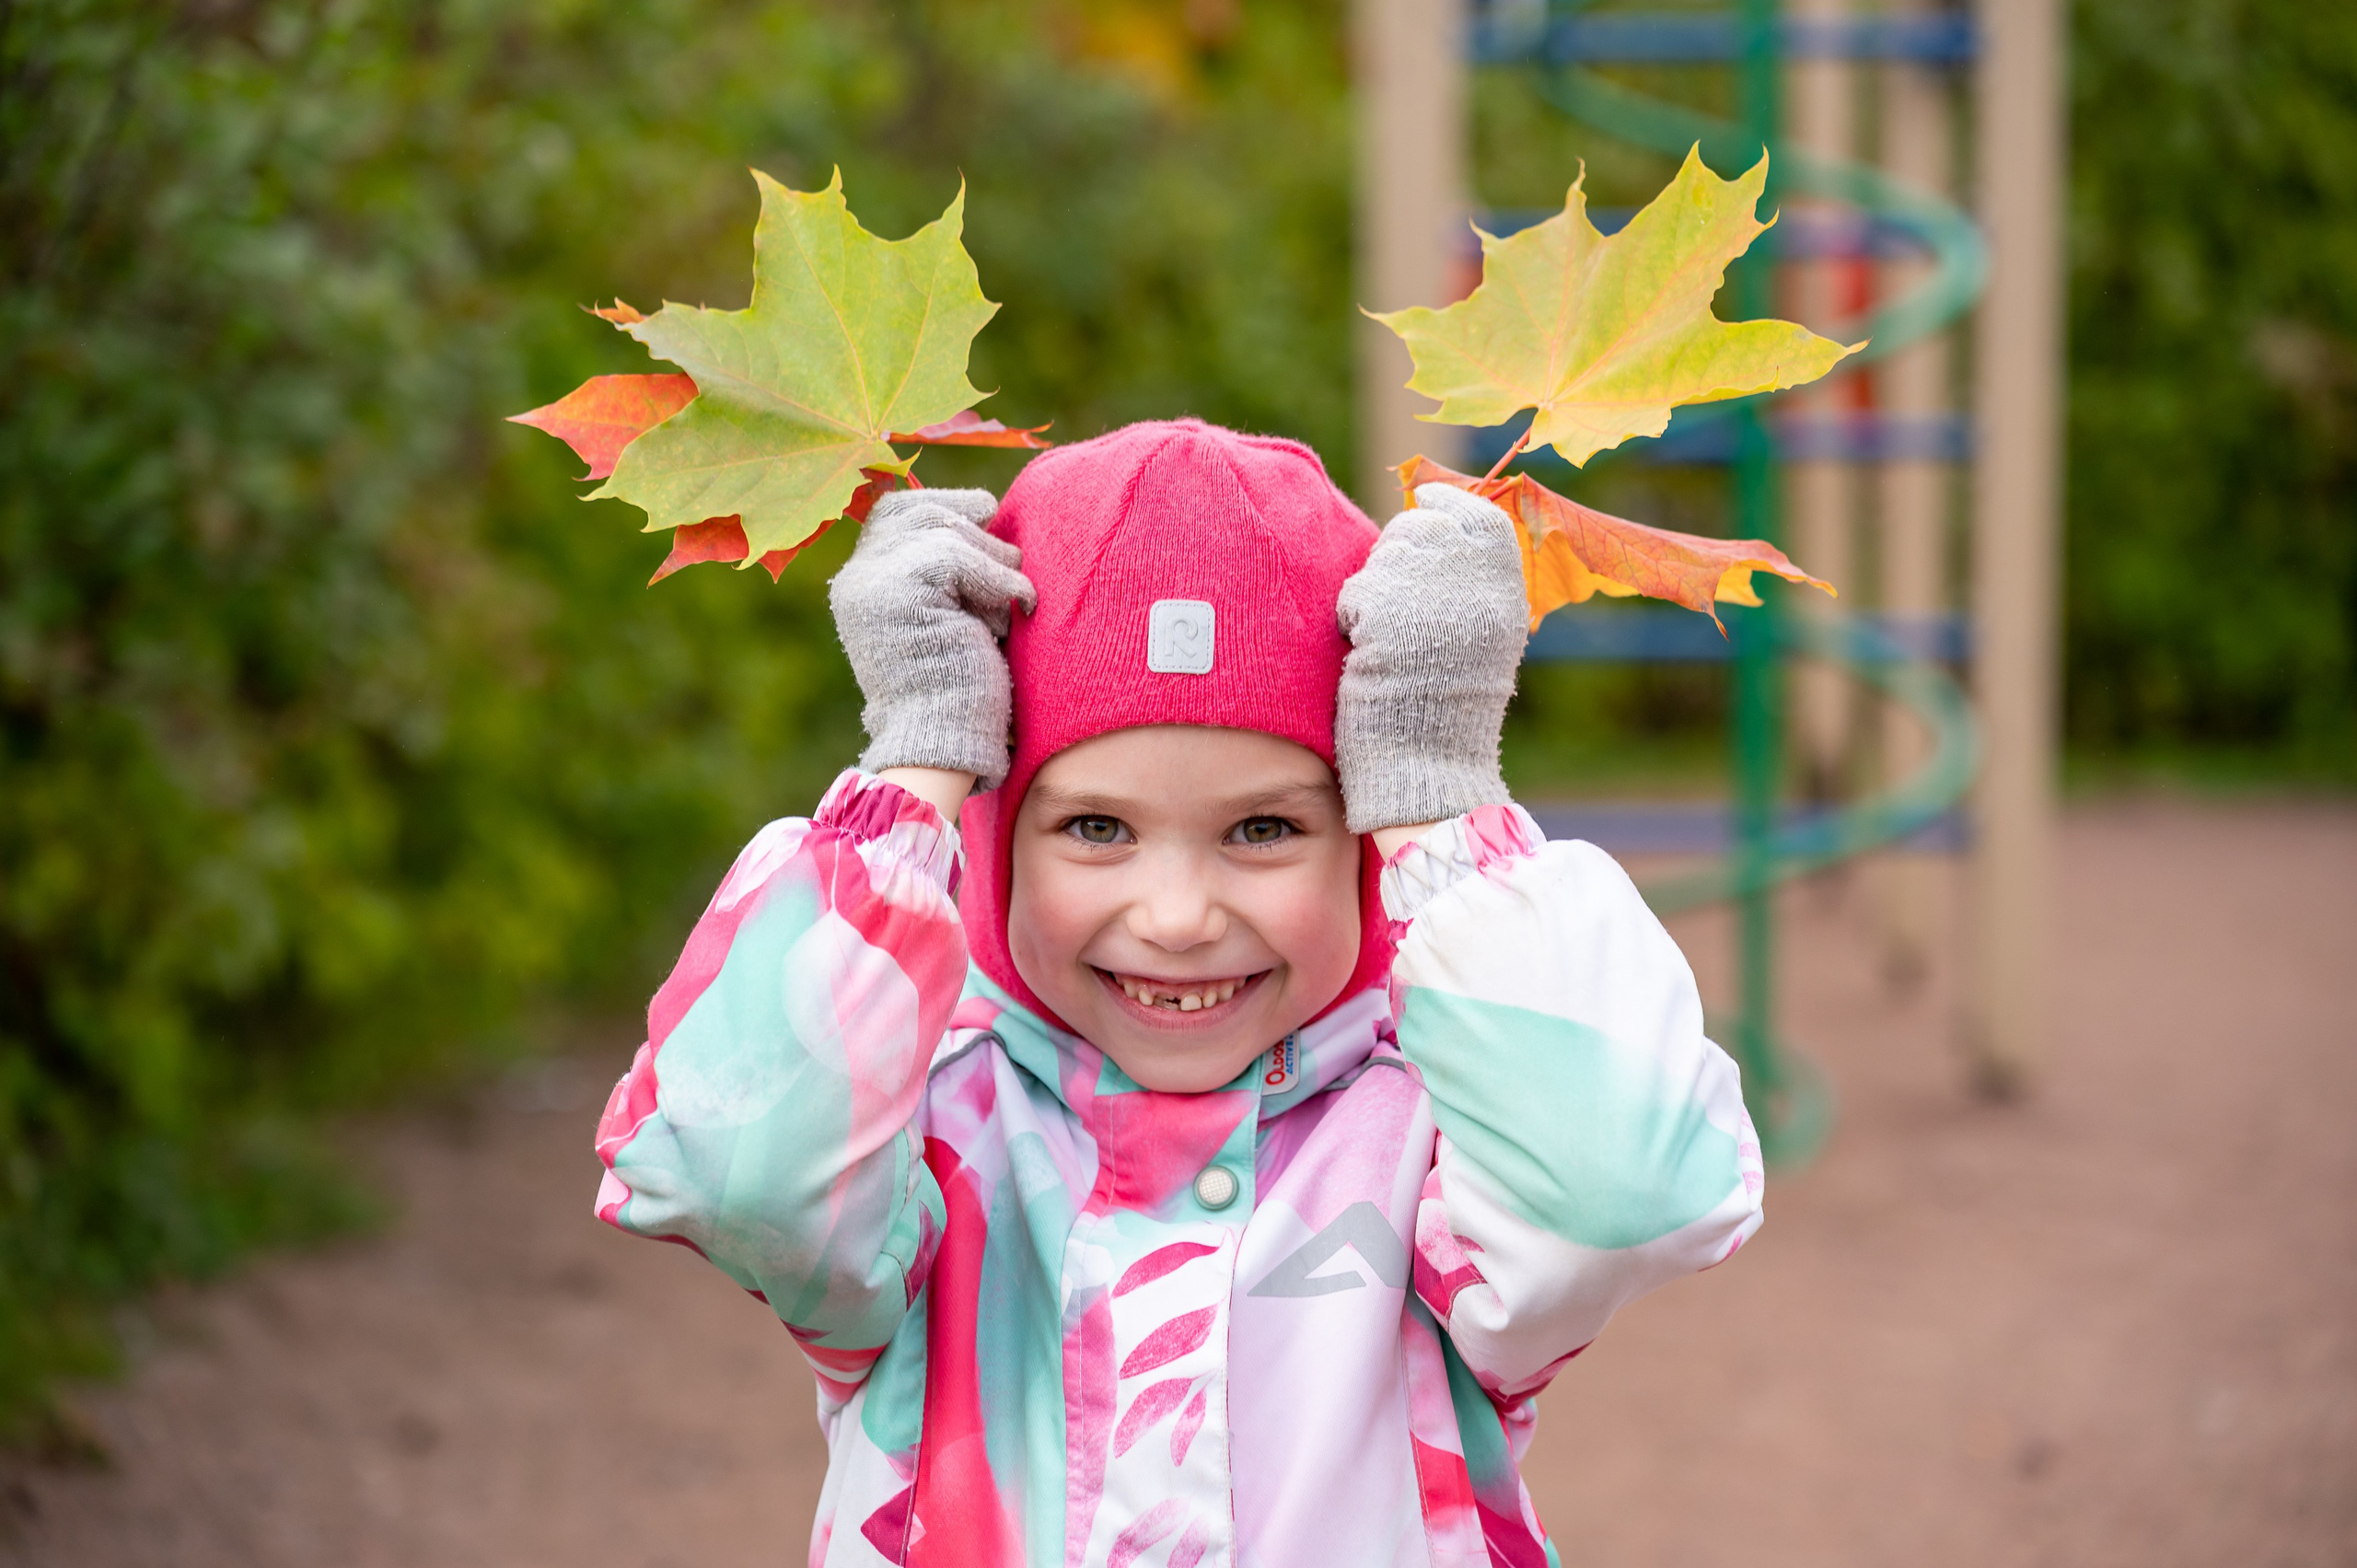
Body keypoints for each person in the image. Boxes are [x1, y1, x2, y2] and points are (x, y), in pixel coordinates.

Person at [592, 419, 1763, 1568]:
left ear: (1360, 835)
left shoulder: (1435, 1137)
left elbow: (1622, 1194)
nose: (1177, 914)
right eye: (1095, 827)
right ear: (1000, 835)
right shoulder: (923, 1133)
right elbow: (728, 1169)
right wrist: (912, 770)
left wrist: (1440, 801)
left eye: (1263, 828)